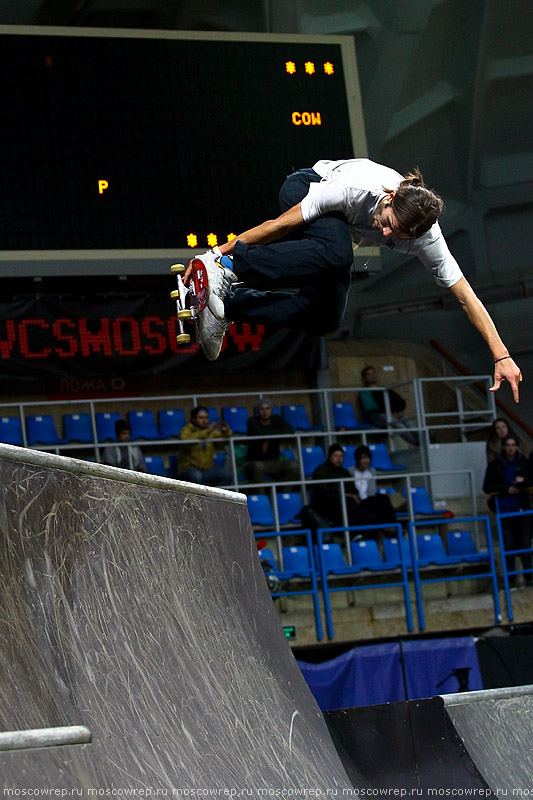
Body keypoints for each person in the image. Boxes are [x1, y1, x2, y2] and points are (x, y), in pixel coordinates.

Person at [183, 158, 522, 406]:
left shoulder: (427, 239)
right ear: (389, 199)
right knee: (339, 253)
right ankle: (227, 271)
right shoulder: (357, 189)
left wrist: (501, 355)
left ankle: (228, 305)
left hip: (333, 235)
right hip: (305, 185)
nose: (384, 233)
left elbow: (466, 296)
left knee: (326, 317)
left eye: (396, 236)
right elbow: (279, 226)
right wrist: (217, 256)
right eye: (387, 223)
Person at [483, 434, 532, 587]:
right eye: (507, 445)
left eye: (513, 445)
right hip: (504, 510)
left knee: (525, 544)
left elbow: (531, 480)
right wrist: (506, 488)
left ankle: (529, 576)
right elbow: (487, 487)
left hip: (522, 510)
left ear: (517, 447)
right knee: (508, 545)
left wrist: (522, 483)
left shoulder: (524, 463)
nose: (510, 448)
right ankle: (510, 578)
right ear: (503, 447)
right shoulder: (495, 465)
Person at [300, 443, 359, 541]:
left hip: (342, 504)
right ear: (330, 457)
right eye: (336, 456)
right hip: (325, 505)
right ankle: (349, 534)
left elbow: (353, 489)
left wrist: (351, 495)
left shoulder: (345, 472)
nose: (338, 459)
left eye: (341, 456)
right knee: (349, 502)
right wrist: (344, 494)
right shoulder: (321, 471)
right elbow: (324, 493)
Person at [359, 365, 419, 445]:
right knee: (398, 425)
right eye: (369, 374)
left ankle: (422, 438)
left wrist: (397, 411)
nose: (372, 375)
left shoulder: (385, 389)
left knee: (408, 421)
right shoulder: (365, 392)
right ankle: (416, 442)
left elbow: (400, 401)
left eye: (373, 373)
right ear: (364, 378)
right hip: (378, 416)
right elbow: (370, 407)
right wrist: (390, 411)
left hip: (392, 413)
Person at [245, 398, 300, 484]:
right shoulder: (252, 421)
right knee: (258, 467)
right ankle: (261, 496)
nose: (265, 411)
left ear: (271, 410)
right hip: (256, 461)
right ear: (258, 411)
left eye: (268, 408)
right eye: (262, 409)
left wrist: (268, 436)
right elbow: (259, 432)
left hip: (274, 462)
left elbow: (290, 430)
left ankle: (284, 494)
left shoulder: (277, 419)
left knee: (293, 466)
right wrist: (275, 433)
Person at [177, 406, 232, 486]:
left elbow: (223, 438)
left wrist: (226, 432)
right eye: (201, 418)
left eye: (206, 417)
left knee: (226, 474)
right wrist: (206, 432)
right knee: (197, 476)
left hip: (207, 469)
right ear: (194, 419)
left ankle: (216, 497)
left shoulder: (211, 432)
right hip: (189, 468)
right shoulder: (187, 430)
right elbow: (186, 441)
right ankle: (199, 498)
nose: (204, 420)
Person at [351, 445, 397, 534]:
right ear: (358, 459)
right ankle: (385, 527)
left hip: (370, 499)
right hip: (358, 501)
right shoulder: (350, 472)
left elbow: (372, 490)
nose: (366, 461)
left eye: (368, 458)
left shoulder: (372, 471)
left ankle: (394, 526)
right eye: (363, 458)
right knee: (373, 501)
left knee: (384, 499)